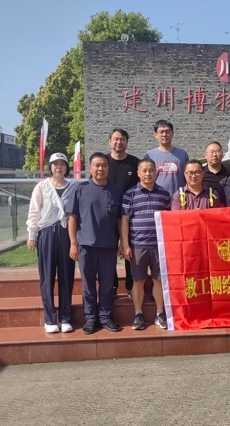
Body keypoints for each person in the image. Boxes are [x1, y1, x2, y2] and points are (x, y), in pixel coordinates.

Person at [66, 152, 122, 334]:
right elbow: (72, 218)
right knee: (88, 285)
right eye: (97, 165)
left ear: (108, 168)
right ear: (89, 167)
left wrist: (122, 243)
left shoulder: (115, 191)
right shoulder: (80, 189)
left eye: (104, 165)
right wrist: (73, 243)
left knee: (107, 285)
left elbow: (120, 220)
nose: (100, 169)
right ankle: (90, 318)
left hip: (108, 246)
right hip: (86, 246)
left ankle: (105, 317)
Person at [26, 152, 76, 333]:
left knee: (66, 275)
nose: (59, 167)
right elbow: (34, 210)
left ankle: (65, 317)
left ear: (67, 167)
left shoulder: (74, 186)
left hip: (66, 232)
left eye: (62, 164)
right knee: (47, 276)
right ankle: (49, 319)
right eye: (55, 164)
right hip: (46, 232)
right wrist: (32, 235)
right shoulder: (42, 186)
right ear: (50, 167)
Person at [121, 158, 172, 330]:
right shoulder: (130, 194)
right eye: (144, 170)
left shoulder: (164, 194)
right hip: (137, 245)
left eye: (151, 170)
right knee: (138, 281)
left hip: (159, 246)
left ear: (156, 172)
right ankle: (138, 314)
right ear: (138, 173)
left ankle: (160, 314)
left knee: (159, 280)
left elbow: (169, 220)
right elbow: (124, 220)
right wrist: (125, 244)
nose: (148, 173)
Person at [107, 128, 140, 300]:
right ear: (110, 141)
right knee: (109, 251)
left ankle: (130, 286)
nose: (118, 142)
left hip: (130, 216)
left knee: (129, 250)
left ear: (127, 142)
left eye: (122, 139)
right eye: (115, 139)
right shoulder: (103, 162)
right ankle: (111, 286)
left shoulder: (134, 163)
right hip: (108, 216)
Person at [143, 119, 189, 196]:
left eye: (167, 131)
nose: (164, 134)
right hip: (157, 197)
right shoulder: (149, 155)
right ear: (156, 134)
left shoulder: (182, 154)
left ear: (172, 133)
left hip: (179, 197)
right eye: (161, 132)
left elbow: (187, 177)